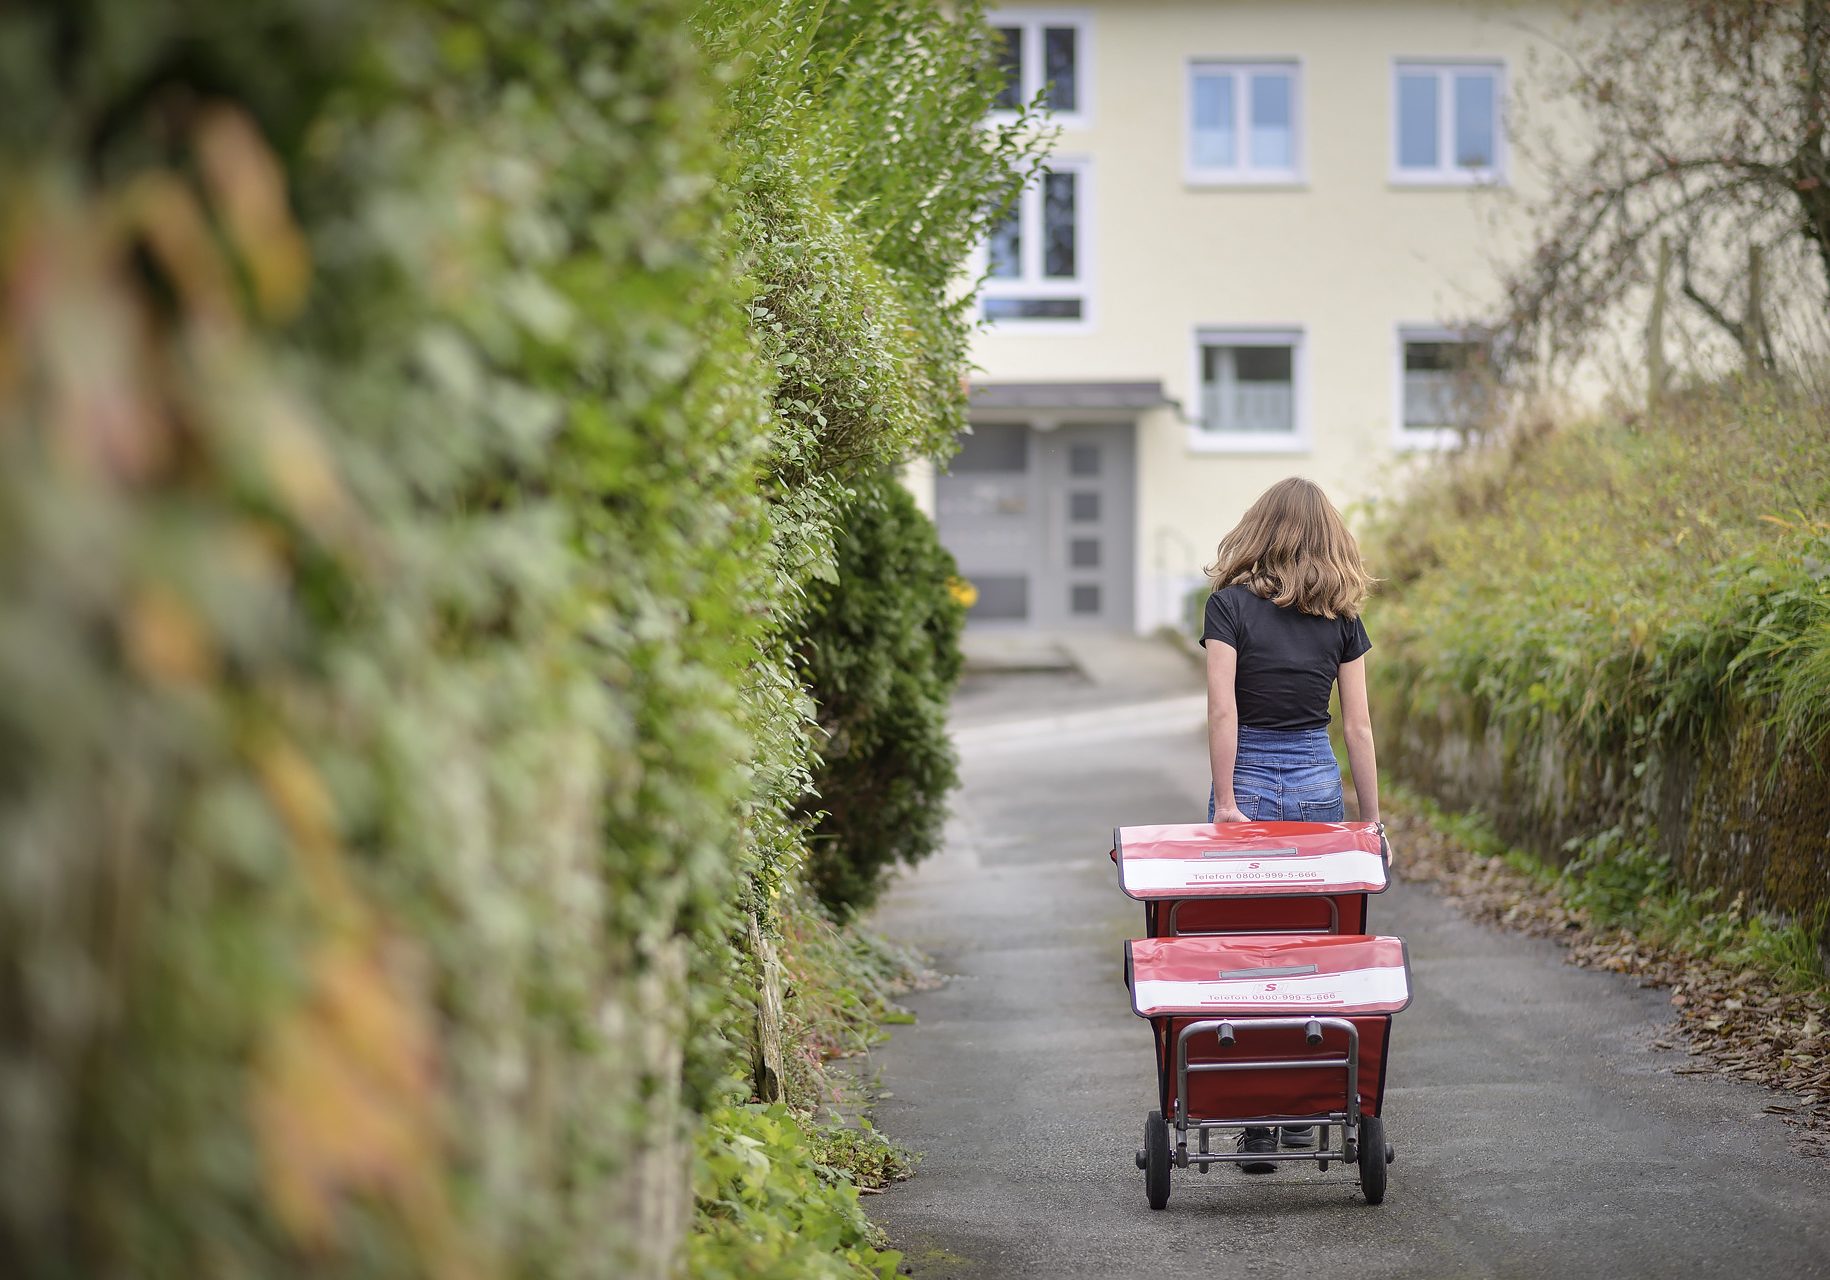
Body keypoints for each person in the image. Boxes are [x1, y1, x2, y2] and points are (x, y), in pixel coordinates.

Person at [1199, 476, 1380, 1174]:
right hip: (1313, 779)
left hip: (1246, 776)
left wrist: (1225, 803)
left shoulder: (1228, 607)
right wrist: (1370, 823)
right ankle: (1306, 1114)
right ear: (1330, 538)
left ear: (1258, 528)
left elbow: (1223, 714)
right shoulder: (1342, 619)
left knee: (1248, 956)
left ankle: (1256, 1125)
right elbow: (1358, 728)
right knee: (1313, 956)